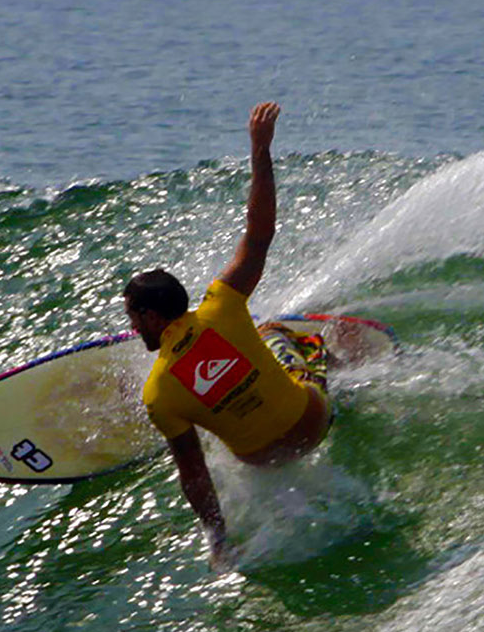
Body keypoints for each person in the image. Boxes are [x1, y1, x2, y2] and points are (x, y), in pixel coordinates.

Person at [124, 101, 332, 568]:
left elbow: (194, 473)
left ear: (154, 317)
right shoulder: (224, 305)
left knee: (222, 413)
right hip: (311, 427)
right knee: (277, 331)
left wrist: (218, 537)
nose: (132, 326)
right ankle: (325, 358)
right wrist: (260, 149)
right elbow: (259, 234)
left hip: (264, 460)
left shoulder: (158, 394)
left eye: (133, 316)